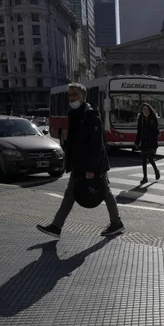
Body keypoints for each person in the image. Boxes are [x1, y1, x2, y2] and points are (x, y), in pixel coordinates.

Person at [37, 83, 125, 238]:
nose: (72, 98)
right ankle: (57, 226)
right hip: (80, 163)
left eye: (75, 95)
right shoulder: (74, 113)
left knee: (104, 192)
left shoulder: (90, 114)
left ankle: (116, 223)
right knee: (71, 194)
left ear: (83, 97)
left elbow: (96, 143)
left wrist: (91, 168)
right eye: (70, 95)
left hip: (93, 164)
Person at [135, 103, 161, 185]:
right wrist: (137, 142)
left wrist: (154, 128)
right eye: (143, 109)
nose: (144, 111)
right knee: (143, 160)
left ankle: (156, 170)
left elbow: (157, 131)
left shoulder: (153, 118)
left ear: (149, 110)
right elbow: (139, 131)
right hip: (144, 141)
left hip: (151, 141)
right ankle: (145, 178)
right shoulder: (141, 118)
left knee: (150, 158)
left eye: (146, 109)